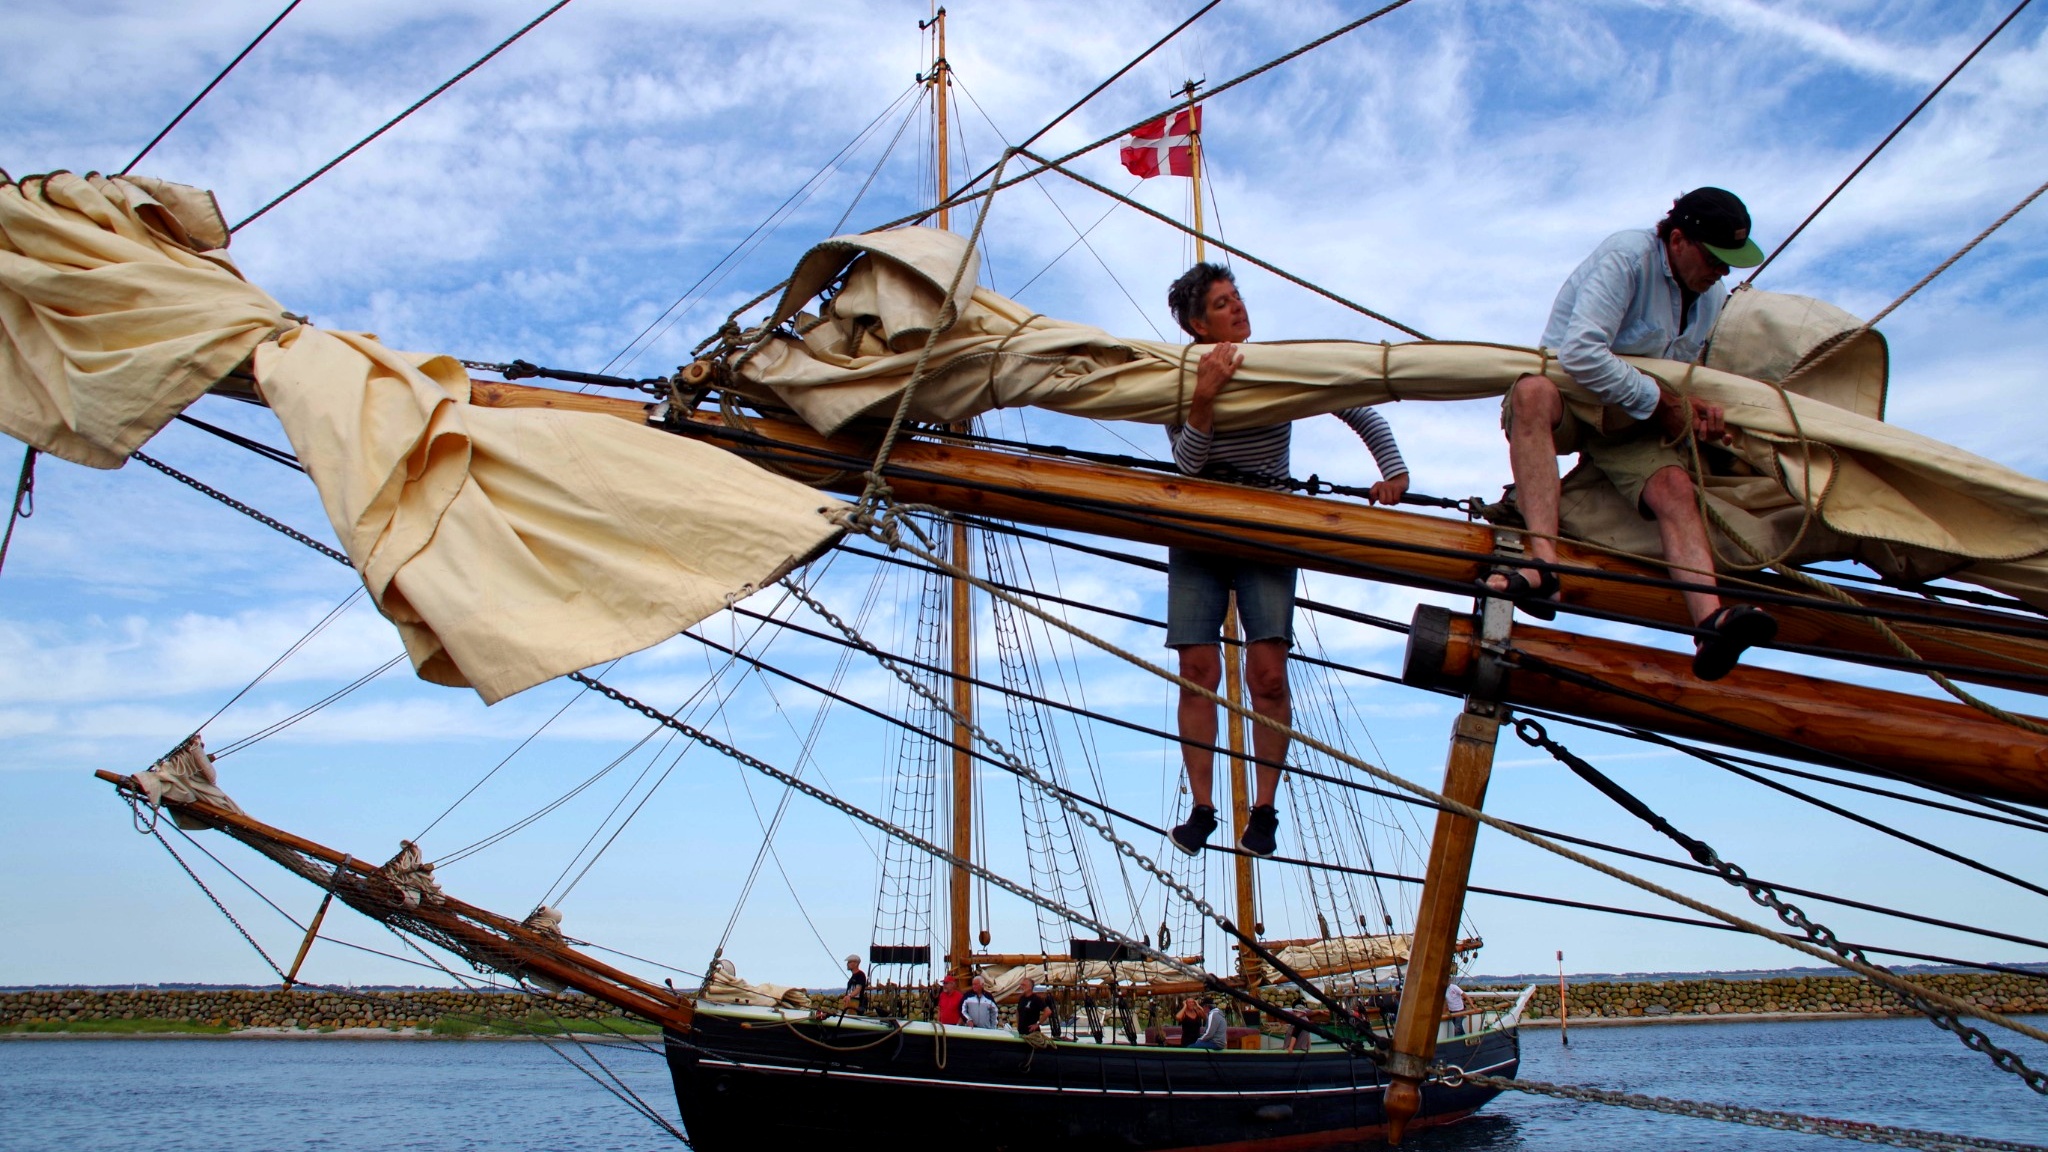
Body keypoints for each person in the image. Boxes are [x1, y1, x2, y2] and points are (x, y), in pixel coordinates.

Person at [1163, 262, 1412, 858]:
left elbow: (1357, 404)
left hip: (1268, 523)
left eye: (1237, 297)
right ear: (1198, 324)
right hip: (1199, 526)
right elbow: (1188, 466)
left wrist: (1393, 469)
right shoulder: (1174, 379)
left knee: (1267, 674)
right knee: (1198, 670)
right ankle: (1202, 808)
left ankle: (1265, 810)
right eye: (1223, 305)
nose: (1238, 309)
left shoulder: (1280, 368)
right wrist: (1204, 398)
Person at [1489, 187, 1776, 680]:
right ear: (1679, 239)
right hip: (1573, 399)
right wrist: (1661, 402)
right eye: (1714, 258)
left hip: (1631, 419)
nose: (1722, 272)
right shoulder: (1628, 258)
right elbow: (1580, 354)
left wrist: (1697, 408)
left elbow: (1683, 376)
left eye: (1730, 264)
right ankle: (1544, 566)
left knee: (1674, 487)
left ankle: (1710, 623)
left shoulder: (1711, 300)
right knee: (1530, 393)